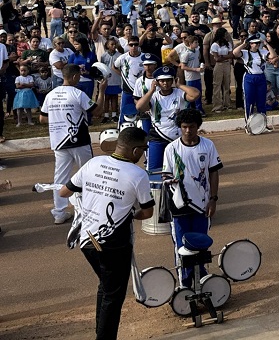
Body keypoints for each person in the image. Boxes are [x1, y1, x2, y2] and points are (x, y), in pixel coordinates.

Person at [58, 126, 154, 340]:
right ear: (136, 151)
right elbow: (147, 212)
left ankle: (99, 331)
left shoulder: (93, 163)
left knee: (106, 286)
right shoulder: (138, 174)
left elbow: (64, 192)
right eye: (143, 150)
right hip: (114, 245)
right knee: (113, 296)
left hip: (87, 241)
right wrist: (132, 215)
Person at [162, 108, 222, 287]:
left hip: (202, 206)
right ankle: (185, 284)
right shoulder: (171, 149)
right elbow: (165, 175)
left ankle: (202, 278)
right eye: (184, 127)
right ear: (180, 127)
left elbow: (214, 173)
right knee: (182, 245)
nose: (188, 131)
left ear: (198, 127)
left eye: (192, 127)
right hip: (179, 207)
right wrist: (169, 181)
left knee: (200, 242)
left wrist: (213, 199)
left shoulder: (208, 146)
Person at [41, 63, 98, 224]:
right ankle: (91, 209)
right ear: (74, 77)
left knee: (60, 177)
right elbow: (97, 111)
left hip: (59, 142)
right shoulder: (78, 93)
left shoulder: (50, 95)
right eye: (78, 76)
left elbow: (42, 118)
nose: (79, 78)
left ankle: (59, 212)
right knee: (88, 174)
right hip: (79, 141)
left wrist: (58, 119)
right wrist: (102, 91)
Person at [134, 65, 200, 172]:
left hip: (178, 138)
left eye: (168, 80)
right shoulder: (154, 96)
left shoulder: (179, 93)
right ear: (157, 82)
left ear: (173, 80)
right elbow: (139, 107)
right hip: (157, 136)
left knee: (181, 170)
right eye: (162, 81)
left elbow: (195, 94)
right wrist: (151, 90)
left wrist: (179, 85)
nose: (165, 83)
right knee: (154, 170)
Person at [233, 35, 269, 129]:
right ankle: (248, 124)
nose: (257, 45)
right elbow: (235, 53)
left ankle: (263, 125)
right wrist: (243, 44)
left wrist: (266, 44)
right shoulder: (245, 53)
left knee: (261, 102)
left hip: (261, 77)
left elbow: (273, 55)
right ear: (250, 44)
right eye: (255, 43)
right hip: (250, 77)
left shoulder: (263, 52)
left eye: (258, 43)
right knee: (249, 101)